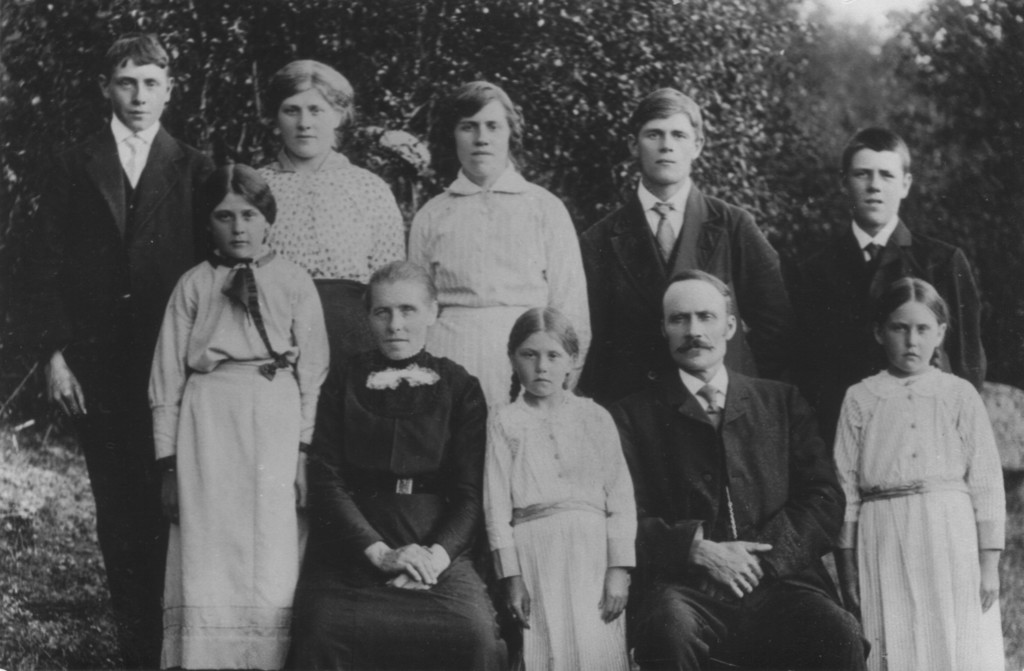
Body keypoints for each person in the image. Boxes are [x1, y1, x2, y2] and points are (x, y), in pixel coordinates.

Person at [12, 33, 213, 668]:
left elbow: (213, 267)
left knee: (174, 500)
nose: (139, 96)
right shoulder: (73, 164)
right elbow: (40, 263)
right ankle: (136, 643)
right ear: (106, 87)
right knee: (118, 508)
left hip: (174, 364)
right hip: (97, 366)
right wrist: (54, 355)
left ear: (169, 89)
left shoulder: (197, 168)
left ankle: (180, 640)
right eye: (127, 82)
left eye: (151, 82)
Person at [611, 269, 865, 670]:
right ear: (663, 328)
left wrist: (762, 559)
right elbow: (624, 516)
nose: (693, 330)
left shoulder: (781, 402)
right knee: (668, 628)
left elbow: (824, 497)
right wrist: (695, 549)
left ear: (730, 326)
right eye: (679, 319)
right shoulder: (633, 416)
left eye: (705, 317)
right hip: (688, 588)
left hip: (782, 582)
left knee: (838, 632)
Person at [149, 164, 329, 668]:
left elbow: (313, 373)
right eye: (224, 216)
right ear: (208, 223)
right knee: (208, 539)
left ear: (267, 218)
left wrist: (302, 454)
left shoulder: (294, 282)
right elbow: (166, 378)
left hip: (275, 415)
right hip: (208, 418)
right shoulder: (193, 285)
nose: (238, 227)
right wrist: (168, 465)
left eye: (249, 214)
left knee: (272, 545)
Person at [288, 260, 507, 670]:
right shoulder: (343, 380)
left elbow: (470, 494)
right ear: (368, 317)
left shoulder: (461, 387)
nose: (395, 325)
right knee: (322, 630)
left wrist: (433, 560)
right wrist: (381, 555)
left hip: (435, 547)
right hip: (353, 549)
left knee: (474, 634)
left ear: (433, 312)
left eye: (408, 310)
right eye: (382, 312)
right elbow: (327, 479)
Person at [580, 88, 793, 407]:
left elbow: (777, 325)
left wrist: (743, 386)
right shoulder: (599, 240)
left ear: (697, 146)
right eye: (654, 134)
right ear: (632, 145)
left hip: (718, 408)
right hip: (636, 416)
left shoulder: (733, 226)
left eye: (679, 134)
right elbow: (589, 341)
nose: (666, 146)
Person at [833, 277, 1004, 671]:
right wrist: (847, 569)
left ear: (941, 333)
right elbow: (846, 488)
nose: (912, 340)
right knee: (894, 633)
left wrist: (989, 564)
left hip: (950, 532)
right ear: (879, 332)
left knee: (955, 633)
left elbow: (987, 481)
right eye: (900, 328)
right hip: (884, 532)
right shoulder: (861, 398)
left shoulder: (959, 394)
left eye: (923, 329)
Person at [788, 127, 985, 446]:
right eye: (862, 174)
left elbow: (967, 363)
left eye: (886, 175)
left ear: (905, 184)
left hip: (927, 437)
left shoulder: (942, 262)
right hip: (843, 438)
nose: (874, 186)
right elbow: (806, 372)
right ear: (844, 183)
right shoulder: (813, 271)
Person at [409, 80, 590, 407]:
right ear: (453, 135)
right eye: (468, 127)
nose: (481, 138)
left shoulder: (544, 208)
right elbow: (416, 308)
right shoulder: (432, 214)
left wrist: (561, 380)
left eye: (493, 126)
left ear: (510, 132)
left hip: (527, 363)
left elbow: (571, 304)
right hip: (450, 359)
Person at [484, 307, 636, 671]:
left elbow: (621, 498)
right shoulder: (505, 421)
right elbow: (496, 507)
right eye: (529, 355)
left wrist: (619, 569)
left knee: (597, 644)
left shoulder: (594, 416)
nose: (541, 367)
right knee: (546, 648)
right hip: (535, 551)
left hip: (592, 553)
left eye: (553, 355)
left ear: (571, 361)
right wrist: (512, 577)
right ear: (511, 358)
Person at [259, 59, 405, 363]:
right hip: (273, 339)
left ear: (338, 115)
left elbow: (390, 283)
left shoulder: (369, 189)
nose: (304, 123)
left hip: (352, 339)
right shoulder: (255, 187)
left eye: (316, 110)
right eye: (291, 110)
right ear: (275, 117)